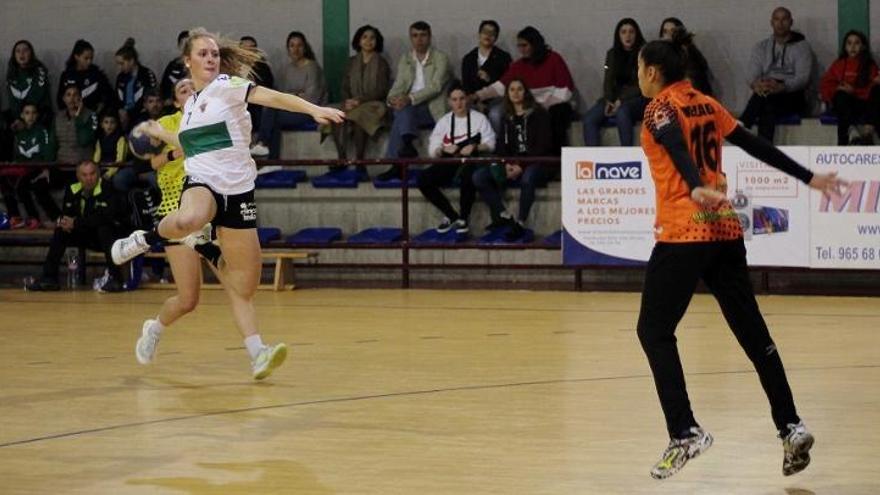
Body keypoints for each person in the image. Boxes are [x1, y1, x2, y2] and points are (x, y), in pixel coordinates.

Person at [634, 29, 845, 480]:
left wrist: (693, 184)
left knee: (653, 330)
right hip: (724, 228)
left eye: (638, 69)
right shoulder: (707, 103)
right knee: (753, 333)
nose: (638, 77)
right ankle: (791, 426)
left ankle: (685, 431)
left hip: (685, 230)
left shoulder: (659, 108)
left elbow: (673, 144)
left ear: (652, 72)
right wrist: (808, 178)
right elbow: (755, 145)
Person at [109, 27, 345, 380]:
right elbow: (186, 144)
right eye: (202, 54)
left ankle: (258, 354)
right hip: (203, 186)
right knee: (192, 219)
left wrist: (313, 109)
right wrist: (158, 134)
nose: (210, 58)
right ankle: (144, 239)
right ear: (187, 62)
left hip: (238, 194)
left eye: (214, 53)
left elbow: (273, 97)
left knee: (244, 285)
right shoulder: (188, 112)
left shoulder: (226, 88)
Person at [24, 160, 126, 292]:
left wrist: (75, 222)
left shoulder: (108, 188)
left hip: (108, 237)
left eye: (92, 174)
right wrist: (64, 222)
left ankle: (116, 279)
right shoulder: (73, 188)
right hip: (85, 232)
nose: (89, 178)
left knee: (104, 229)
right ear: (78, 176)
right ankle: (49, 279)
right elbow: (68, 214)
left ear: (98, 174)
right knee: (61, 231)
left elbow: (105, 217)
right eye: (84, 175)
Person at [474, 26, 575, 155]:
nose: (521, 49)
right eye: (519, 46)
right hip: (526, 105)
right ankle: (504, 155)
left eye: (524, 45)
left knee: (555, 115)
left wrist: (542, 106)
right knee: (496, 113)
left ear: (535, 44)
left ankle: (555, 159)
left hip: (552, 105)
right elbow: (501, 86)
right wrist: (478, 95)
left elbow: (565, 90)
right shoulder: (519, 66)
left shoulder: (554, 59)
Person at [472, 79, 552, 240]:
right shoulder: (506, 117)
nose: (515, 93)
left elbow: (543, 146)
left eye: (519, 89)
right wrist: (507, 164)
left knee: (529, 176)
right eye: (512, 90)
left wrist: (521, 166)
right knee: (479, 176)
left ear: (526, 92)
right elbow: (502, 146)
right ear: (507, 94)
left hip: (537, 163)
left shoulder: (539, 114)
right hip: (513, 164)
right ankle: (503, 215)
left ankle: (520, 222)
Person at [377, 21, 451, 181]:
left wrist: (409, 99)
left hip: (433, 108)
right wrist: (392, 99)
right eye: (415, 36)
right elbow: (399, 84)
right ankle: (407, 145)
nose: (419, 39)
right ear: (411, 38)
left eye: (423, 35)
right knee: (401, 110)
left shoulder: (441, 58)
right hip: (410, 108)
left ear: (430, 37)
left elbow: (436, 87)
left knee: (402, 112)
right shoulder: (406, 58)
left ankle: (397, 164)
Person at [418, 81, 495, 234]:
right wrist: (443, 149)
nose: (459, 103)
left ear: (467, 99)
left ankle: (464, 218)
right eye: (454, 99)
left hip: (473, 160)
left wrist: (475, 147)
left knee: (469, 175)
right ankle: (451, 215)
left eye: (461, 98)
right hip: (451, 161)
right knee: (423, 179)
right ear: (449, 102)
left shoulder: (479, 118)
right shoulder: (444, 121)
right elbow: (433, 147)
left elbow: (491, 142)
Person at [740, 7, 815, 142]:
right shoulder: (761, 47)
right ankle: (765, 148)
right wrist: (756, 84)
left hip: (792, 94)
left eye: (784, 19)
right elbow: (752, 74)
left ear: (791, 22)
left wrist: (782, 86)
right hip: (767, 91)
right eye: (776, 19)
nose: (780, 23)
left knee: (767, 101)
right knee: (767, 102)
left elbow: (803, 78)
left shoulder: (802, 47)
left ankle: (744, 125)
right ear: (771, 23)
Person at [251, 31, 327, 159]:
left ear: (305, 47)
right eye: (292, 46)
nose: (296, 49)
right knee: (271, 113)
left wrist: (290, 96)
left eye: (299, 45)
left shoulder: (312, 68)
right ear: (288, 49)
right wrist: (296, 94)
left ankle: (263, 144)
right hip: (289, 110)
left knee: (272, 115)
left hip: (309, 111)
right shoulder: (285, 69)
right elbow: (279, 94)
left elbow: (312, 98)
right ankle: (272, 160)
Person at [327, 24, 391, 174]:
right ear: (359, 40)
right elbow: (344, 87)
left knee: (359, 116)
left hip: (373, 104)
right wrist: (348, 101)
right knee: (335, 114)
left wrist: (359, 101)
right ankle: (342, 158)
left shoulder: (381, 63)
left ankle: (359, 161)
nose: (368, 41)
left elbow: (381, 90)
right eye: (365, 37)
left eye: (372, 38)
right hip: (352, 104)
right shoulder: (351, 62)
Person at [582, 18, 648, 147]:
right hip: (615, 98)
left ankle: (627, 158)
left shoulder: (646, 54)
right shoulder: (612, 54)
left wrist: (621, 100)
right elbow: (608, 81)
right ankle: (594, 159)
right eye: (623, 32)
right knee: (589, 119)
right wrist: (608, 100)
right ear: (618, 36)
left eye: (631, 32)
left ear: (637, 34)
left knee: (622, 112)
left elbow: (643, 84)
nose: (627, 36)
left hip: (639, 98)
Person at [1, 103, 56, 229]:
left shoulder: (42, 131)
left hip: (36, 167)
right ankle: (15, 216)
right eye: (27, 113)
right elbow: (15, 154)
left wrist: (46, 168)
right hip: (21, 167)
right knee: (4, 180)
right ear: (21, 115)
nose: (30, 116)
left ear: (37, 115)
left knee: (22, 185)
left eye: (33, 113)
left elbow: (48, 152)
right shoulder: (18, 131)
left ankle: (34, 217)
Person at [819, 30, 879, 145]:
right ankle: (847, 139)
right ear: (845, 47)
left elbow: (873, 90)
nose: (853, 47)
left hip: (864, 104)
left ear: (863, 46)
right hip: (845, 104)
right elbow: (825, 86)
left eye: (857, 43)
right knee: (841, 96)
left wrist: (854, 91)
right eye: (849, 43)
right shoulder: (838, 64)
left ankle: (868, 132)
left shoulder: (870, 65)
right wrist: (838, 89)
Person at [461, 20, 512, 135]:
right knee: (469, 113)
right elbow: (466, 85)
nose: (488, 35)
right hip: (474, 100)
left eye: (492, 33)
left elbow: (507, 84)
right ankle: (473, 147)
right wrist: (477, 102)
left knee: (495, 114)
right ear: (479, 34)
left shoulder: (504, 57)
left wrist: (490, 79)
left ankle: (497, 146)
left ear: (496, 38)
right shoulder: (468, 58)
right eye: (485, 32)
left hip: (498, 100)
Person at [5, 40, 53, 130]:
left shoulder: (39, 70)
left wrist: (25, 119)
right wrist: (18, 119)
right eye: (18, 51)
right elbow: (12, 100)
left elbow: (36, 96)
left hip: (39, 113)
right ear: (14, 55)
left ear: (31, 53)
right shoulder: (11, 73)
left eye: (25, 50)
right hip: (21, 116)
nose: (21, 54)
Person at [658, 18, 713, 95]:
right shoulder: (659, 54)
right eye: (665, 31)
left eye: (673, 31)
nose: (668, 35)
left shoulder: (688, 52)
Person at [57, 39, 114, 114]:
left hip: (92, 115)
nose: (89, 61)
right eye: (86, 58)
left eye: (91, 58)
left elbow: (109, 96)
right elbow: (60, 100)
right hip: (72, 115)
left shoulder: (97, 75)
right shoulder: (67, 75)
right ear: (77, 57)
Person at [114, 38, 159, 131]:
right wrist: (120, 110)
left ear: (131, 61)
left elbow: (151, 96)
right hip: (124, 115)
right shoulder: (121, 77)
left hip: (141, 114)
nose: (120, 67)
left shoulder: (146, 74)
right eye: (118, 64)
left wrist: (132, 112)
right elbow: (117, 97)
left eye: (122, 63)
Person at [239, 36, 275, 137]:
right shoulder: (232, 68)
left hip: (256, 102)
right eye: (245, 48)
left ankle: (261, 143)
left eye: (252, 48)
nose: (249, 51)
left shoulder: (263, 67)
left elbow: (268, 87)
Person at [159, 31, 190, 109]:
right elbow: (164, 87)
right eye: (183, 44)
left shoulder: (200, 64)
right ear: (179, 46)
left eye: (189, 44)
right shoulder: (172, 66)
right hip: (173, 106)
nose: (186, 47)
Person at [93, 110, 127, 180]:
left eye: (112, 122)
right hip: (102, 168)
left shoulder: (121, 139)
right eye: (106, 122)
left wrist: (109, 173)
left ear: (116, 124)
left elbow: (120, 161)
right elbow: (97, 157)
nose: (109, 125)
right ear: (102, 125)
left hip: (115, 169)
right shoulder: (100, 139)